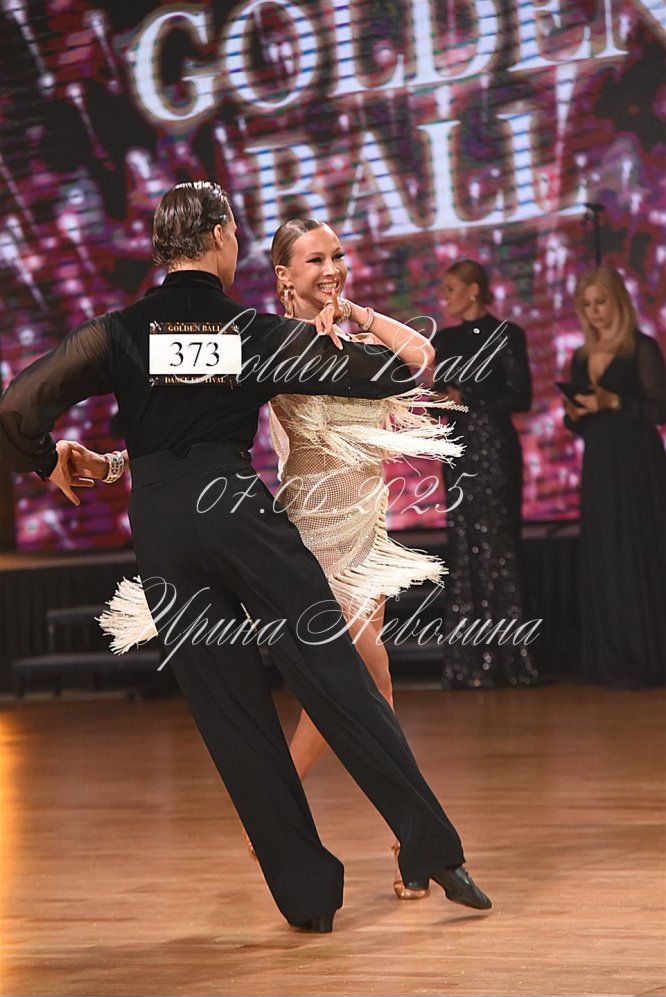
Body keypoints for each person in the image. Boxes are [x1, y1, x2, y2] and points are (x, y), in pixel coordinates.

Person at [0, 181, 491, 932]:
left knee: (232, 717)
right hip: (234, 510)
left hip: (160, 526)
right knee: (336, 676)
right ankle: (432, 848)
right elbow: (395, 372)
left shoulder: (118, 332)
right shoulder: (248, 331)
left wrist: (47, 461)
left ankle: (308, 899)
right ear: (222, 236)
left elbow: (16, 406)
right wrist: (351, 324)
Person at [90, 216, 465, 900]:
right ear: (284, 274)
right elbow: (183, 419)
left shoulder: (353, 341)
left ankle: (405, 844)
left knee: (371, 685)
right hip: (310, 536)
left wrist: (356, 313)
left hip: (365, 532)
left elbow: (421, 357)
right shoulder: (266, 341)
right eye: (315, 259)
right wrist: (117, 462)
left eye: (338, 254)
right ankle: (299, 807)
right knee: (353, 678)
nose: (332, 268)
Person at [432, 260, 539, 689]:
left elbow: (521, 396)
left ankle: (510, 661)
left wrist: (469, 396)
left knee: (499, 547)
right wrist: (439, 400)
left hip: (494, 449)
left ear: (474, 290)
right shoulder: (445, 339)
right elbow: (441, 396)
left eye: (451, 288)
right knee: (464, 546)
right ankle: (469, 664)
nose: (445, 297)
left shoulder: (508, 336)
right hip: (458, 451)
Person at [563, 264, 666, 688]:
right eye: (587, 305)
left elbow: (659, 410)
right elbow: (578, 423)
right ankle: (613, 658)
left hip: (639, 462)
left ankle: (648, 657)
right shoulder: (580, 356)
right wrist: (575, 414)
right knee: (607, 553)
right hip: (601, 463)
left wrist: (615, 402)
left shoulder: (640, 348)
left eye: (601, 302)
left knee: (641, 548)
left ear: (618, 302)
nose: (595, 312)